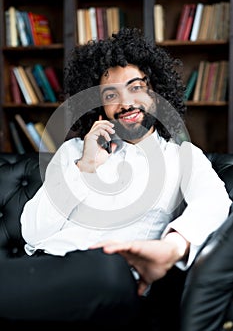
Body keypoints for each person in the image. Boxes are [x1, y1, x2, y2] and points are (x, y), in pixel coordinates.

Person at [19, 27, 231, 330]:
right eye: (110, 94)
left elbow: (213, 201)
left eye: (136, 88)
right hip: (43, 267)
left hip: (111, 274)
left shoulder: (182, 157)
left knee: (103, 271)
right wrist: (85, 167)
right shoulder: (74, 153)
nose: (125, 103)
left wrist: (170, 248)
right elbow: (33, 233)